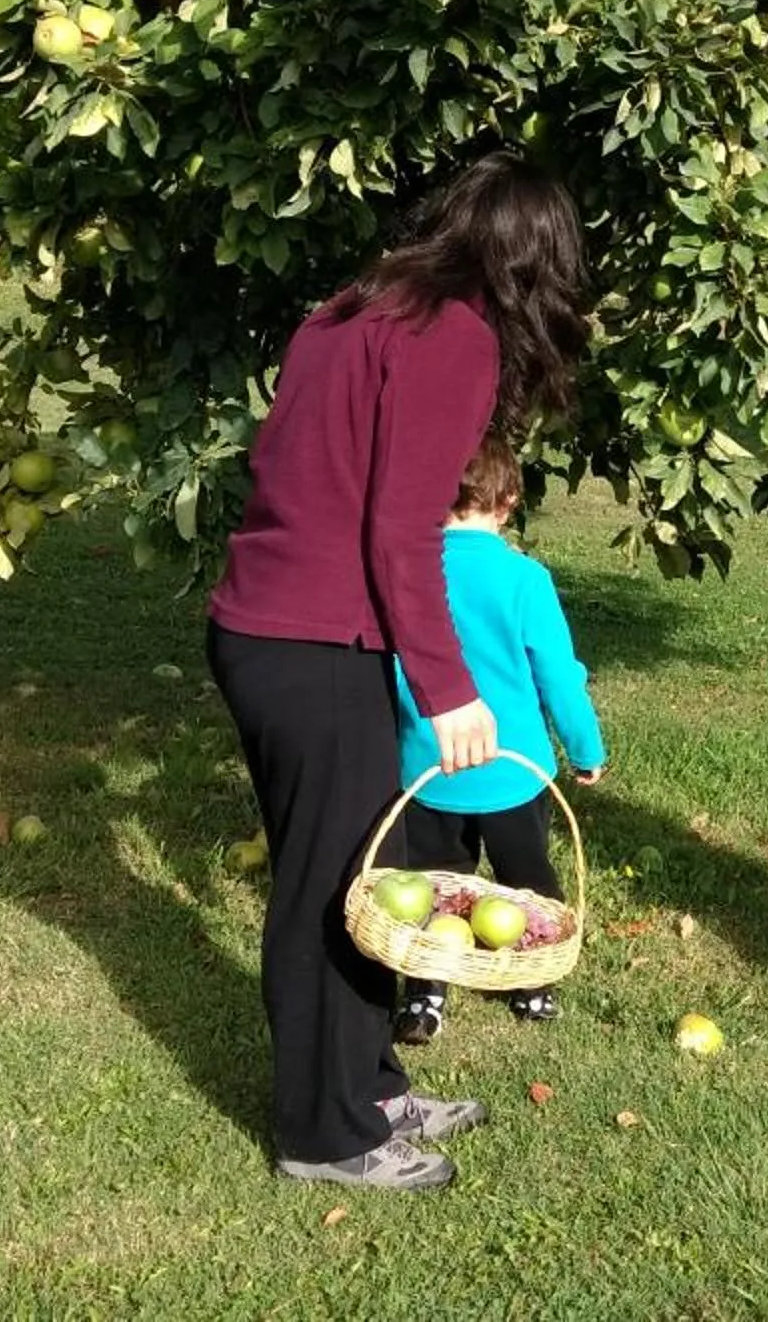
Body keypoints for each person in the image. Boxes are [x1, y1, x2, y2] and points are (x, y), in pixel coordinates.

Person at [204, 150, 587, 1192]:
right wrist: (450, 687)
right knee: (327, 889)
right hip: (310, 639)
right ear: (534, 263)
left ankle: (368, 1085)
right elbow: (401, 530)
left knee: (362, 878)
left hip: (279, 629)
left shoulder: (355, 306)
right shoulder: (453, 336)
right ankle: (324, 1134)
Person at [389, 433, 608, 1043]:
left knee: (432, 885)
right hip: (515, 772)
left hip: (429, 767)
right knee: (527, 879)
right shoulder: (524, 579)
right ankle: (530, 982)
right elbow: (557, 676)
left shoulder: (408, 572)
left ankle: (426, 995)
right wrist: (586, 749)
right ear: (509, 499)